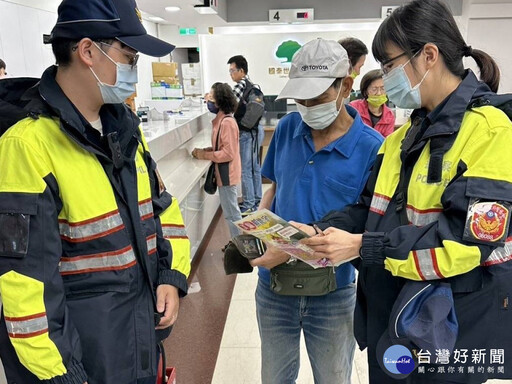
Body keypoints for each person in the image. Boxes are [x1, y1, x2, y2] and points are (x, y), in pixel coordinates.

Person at [299, 1, 512, 383]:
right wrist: (319, 231)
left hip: (447, 328)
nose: (384, 78)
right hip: (394, 320)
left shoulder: (491, 132)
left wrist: (363, 246)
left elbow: (464, 242)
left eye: (389, 65)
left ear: (428, 55)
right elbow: (370, 209)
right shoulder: (399, 140)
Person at [0, 1, 191, 383]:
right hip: (82, 359)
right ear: (88, 51)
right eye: (129, 56)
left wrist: (171, 275)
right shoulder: (29, 146)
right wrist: (61, 374)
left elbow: (162, 209)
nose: (134, 70)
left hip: (137, 339)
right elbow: (24, 284)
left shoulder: (125, 131)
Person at [251, 39, 383, 384]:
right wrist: (256, 223)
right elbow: (276, 187)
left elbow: (367, 227)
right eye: (301, 99)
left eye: (318, 97)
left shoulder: (372, 150)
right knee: (275, 376)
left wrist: (294, 249)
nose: (308, 107)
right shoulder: (286, 129)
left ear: (346, 86)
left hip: (334, 294)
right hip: (273, 290)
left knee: (334, 376)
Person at [192, 83, 242, 238]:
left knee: (232, 214)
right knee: (231, 212)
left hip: (227, 174)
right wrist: (207, 150)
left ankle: (241, 247)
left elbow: (228, 153)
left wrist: (204, 155)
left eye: (211, 98)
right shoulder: (221, 121)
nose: (209, 101)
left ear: (220, 101)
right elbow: (221, 146)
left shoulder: (227, 122)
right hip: (225, 173)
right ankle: (238, 244)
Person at [227, 55, 263, 215]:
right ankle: (256, 200)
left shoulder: (241, 85)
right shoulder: (252, 86)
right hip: (255, 131)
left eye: (232, 70)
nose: (231, 74)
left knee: (246, 169)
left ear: (241, 71)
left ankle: (248, 204)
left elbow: (229, 103)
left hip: (247, 133)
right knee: (255, 167)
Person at [350, 69, 395, 137]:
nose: (379, 93)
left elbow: (386, 141)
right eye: (374, 89)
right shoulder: (354, 107)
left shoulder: (389, 115)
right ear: (365, 91)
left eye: (383, 89)